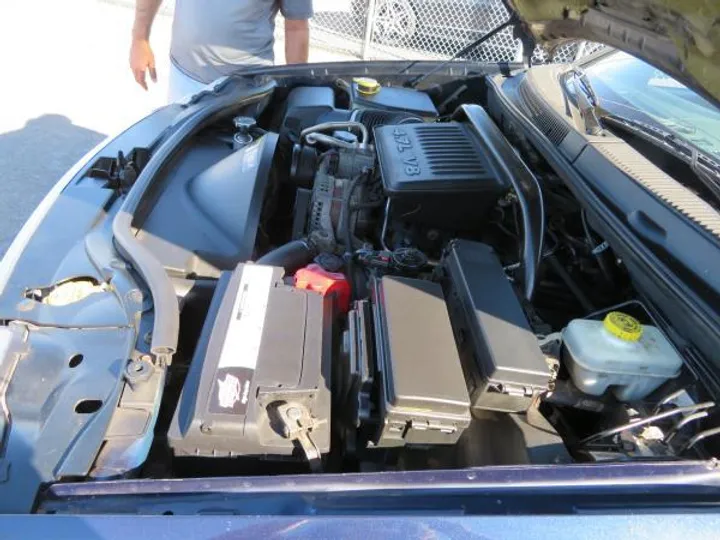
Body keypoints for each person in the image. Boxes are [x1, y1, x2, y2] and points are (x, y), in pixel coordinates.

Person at [130, 0, 312, 102]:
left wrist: (294, 88)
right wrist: (140, 39)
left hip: (244, 90)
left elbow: (296, 27)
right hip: (183, 80)